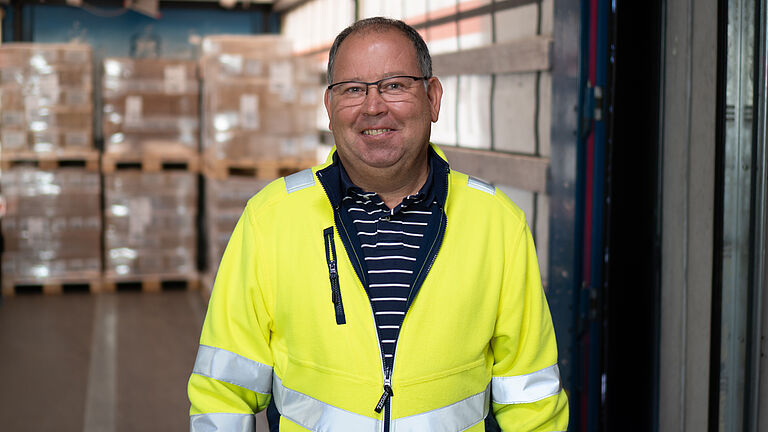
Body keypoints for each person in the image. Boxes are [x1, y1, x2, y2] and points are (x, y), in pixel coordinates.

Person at [188, 17, 569, 431]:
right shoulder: (270, 220)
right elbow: (223, 390)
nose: (373, 106)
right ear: (330, 108)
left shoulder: (497, 225)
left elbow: (530, 400)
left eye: (395, 85)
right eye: (353, 89)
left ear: (433, 98)